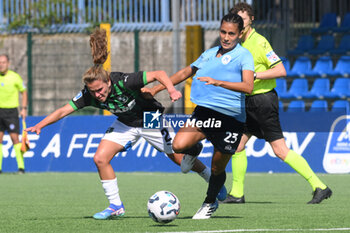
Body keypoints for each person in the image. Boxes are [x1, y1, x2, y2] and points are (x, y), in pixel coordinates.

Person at [26, 28, 223, 220]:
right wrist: (40, 125)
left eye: (100, 90)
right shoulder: (89, 94)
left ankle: (210, 178)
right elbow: (63, 110)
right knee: (100, 158)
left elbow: (159, 74)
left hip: (149, 117)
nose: (97, 95)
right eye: (93, 92)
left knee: (181, 161)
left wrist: (171, 91)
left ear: (108, 83)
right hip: (126, 123)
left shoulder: (123, 81)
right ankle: (115, 206)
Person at [220, 2, 332, 204]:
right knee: (237, 145)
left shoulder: (260, 42)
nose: (240, 24)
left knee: (280, 150)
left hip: (262, 102)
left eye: (243, 20)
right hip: (246, 102)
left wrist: (255, 75)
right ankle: (237, 193)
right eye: (236, 20)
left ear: (251, 20)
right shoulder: (236, 45)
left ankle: (320, 186)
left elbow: (281, 70)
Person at [145, 13, 254, 219]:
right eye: (223, 32)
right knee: (178, 145)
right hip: (205, 112)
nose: (226, 37)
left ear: (240, 34)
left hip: (230, 119)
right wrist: (158, 88)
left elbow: (248, 86)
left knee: (216, 167)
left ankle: (210, 202)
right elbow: (186, 72)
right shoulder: (209, 53)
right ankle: (195, 149)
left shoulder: (244, 56)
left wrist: (219, 82)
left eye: (231, 33)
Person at [0, 54, 27, 174]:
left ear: (8, 63)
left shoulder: (15, 77)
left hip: (11, 112)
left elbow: (24, 92)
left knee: (14, 138)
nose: (1, 65)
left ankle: (21, 167)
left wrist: (24, 108)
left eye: (3, 62)